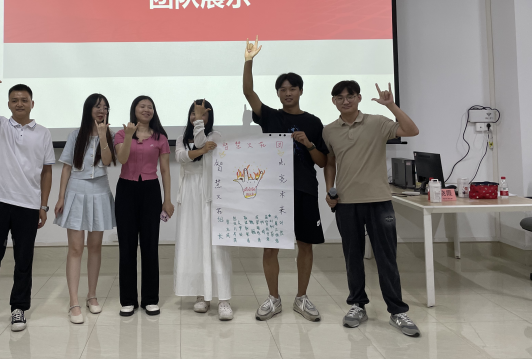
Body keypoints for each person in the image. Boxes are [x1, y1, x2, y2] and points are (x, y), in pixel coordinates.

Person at [323, 81, 421, 337]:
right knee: (352, 257)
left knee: (386, 257)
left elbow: (412, 130)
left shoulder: (377, 122)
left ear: (359, 98)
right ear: (333, 101)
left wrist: (391, 106)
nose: (345, 101)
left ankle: (397, 311)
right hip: (346, 203)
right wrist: (330, 189)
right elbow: (330, 162)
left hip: (379, 200)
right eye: (340, 97)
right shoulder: (329, 130)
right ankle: (357, 305)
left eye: (350, 96)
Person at [242, 37, 328, 322]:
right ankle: (273, 299)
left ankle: (301, 298)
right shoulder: (270, 116)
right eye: (283, 89)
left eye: (292, 88)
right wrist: (248, 61)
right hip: (273, 192)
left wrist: (309, 144)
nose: (288, 93)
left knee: (305, 245)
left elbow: (322, 161)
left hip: (304, 189)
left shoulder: (314, 122)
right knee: (271, 246)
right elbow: (248, 92)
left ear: (301, 91)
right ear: (278, 93)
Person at [0, 65, 54, 334]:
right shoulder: (0, 126)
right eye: (14, 100)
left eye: (24, 100)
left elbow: (47, 171)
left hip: (28, 205)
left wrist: (43, 205)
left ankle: (19, 308)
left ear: (32, 104)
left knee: (24, 260)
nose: (19, 104)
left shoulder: (43, 133)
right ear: (8, 104)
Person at [53, 94, 116, 324]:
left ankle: (92, 295)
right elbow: (66, 168)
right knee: (76, 248)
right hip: (76, 191)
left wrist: (103, 136)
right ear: (88, 109)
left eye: (105, 107)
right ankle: (74, 301)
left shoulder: (109, 134)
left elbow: (107, 161)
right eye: (98, 106)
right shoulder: (75, 135)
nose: (102, 110)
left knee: (95, 246)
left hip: (100, 192)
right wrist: (61, 197)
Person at [114, 96, 174, 316]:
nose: (146, 109)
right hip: (126, 190)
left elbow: (165, 170)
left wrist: (167, 199)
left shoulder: (160, 137)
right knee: (127, 245)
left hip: (150, 191)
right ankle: (128, 300)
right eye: (142, 106)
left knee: (149, 245)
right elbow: (122, 159)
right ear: (134, 109)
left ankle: (150, 299)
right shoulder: (122, 134)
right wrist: (130, 135)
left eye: (150, 107)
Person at [174, 99, 234, 321]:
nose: (196, 117)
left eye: (202, 114)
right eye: (193, 113)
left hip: (210, 194)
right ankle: (202, 294)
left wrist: (199, 145)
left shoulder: (215, 136)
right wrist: (199, 152)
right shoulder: (181, 138)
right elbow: (180, 157)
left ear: (209, 117)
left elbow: (201, 142)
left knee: (216, 245)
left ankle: (224, 299)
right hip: (190, 193)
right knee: (195, 242)